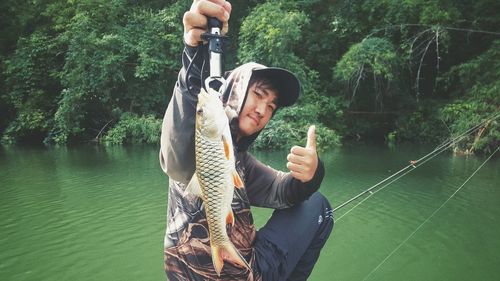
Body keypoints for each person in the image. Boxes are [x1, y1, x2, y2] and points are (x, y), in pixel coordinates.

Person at [159, 1, 334, 280]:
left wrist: (311, 175)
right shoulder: (198, 140)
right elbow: (177, 150)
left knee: (313, 197)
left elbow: (281, 191)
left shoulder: (241, 162)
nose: (263, 110)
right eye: (259, 94)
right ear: (236, 90)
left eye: (272, 107)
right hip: (236, 274)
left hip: (207, 270)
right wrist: (194, 51)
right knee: (320, 208)